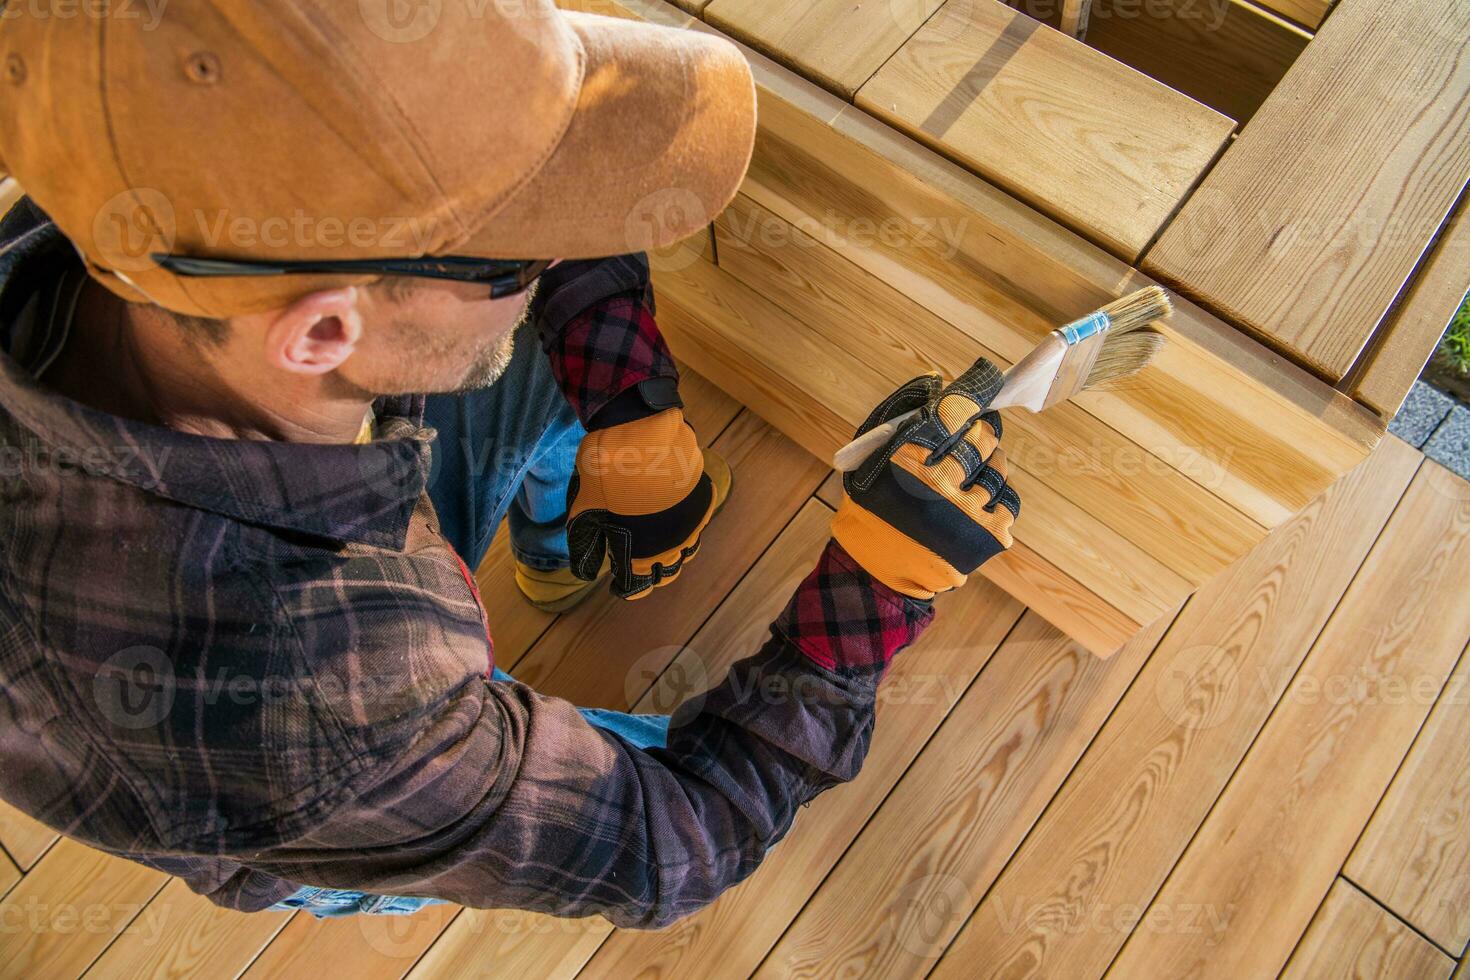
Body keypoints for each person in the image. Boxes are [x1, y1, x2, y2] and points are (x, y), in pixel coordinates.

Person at [0, 0, 1018, 924]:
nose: (555, 251)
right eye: (523, 252)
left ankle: (549, 547)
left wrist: (630, 409)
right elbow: (674, 839)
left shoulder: (129, 198)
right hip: (328, 804)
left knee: (506, 342)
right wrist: (876, 590)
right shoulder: (328, 720)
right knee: (665, 762)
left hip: (329, 562)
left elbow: (492, 179)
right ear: (320, 331)